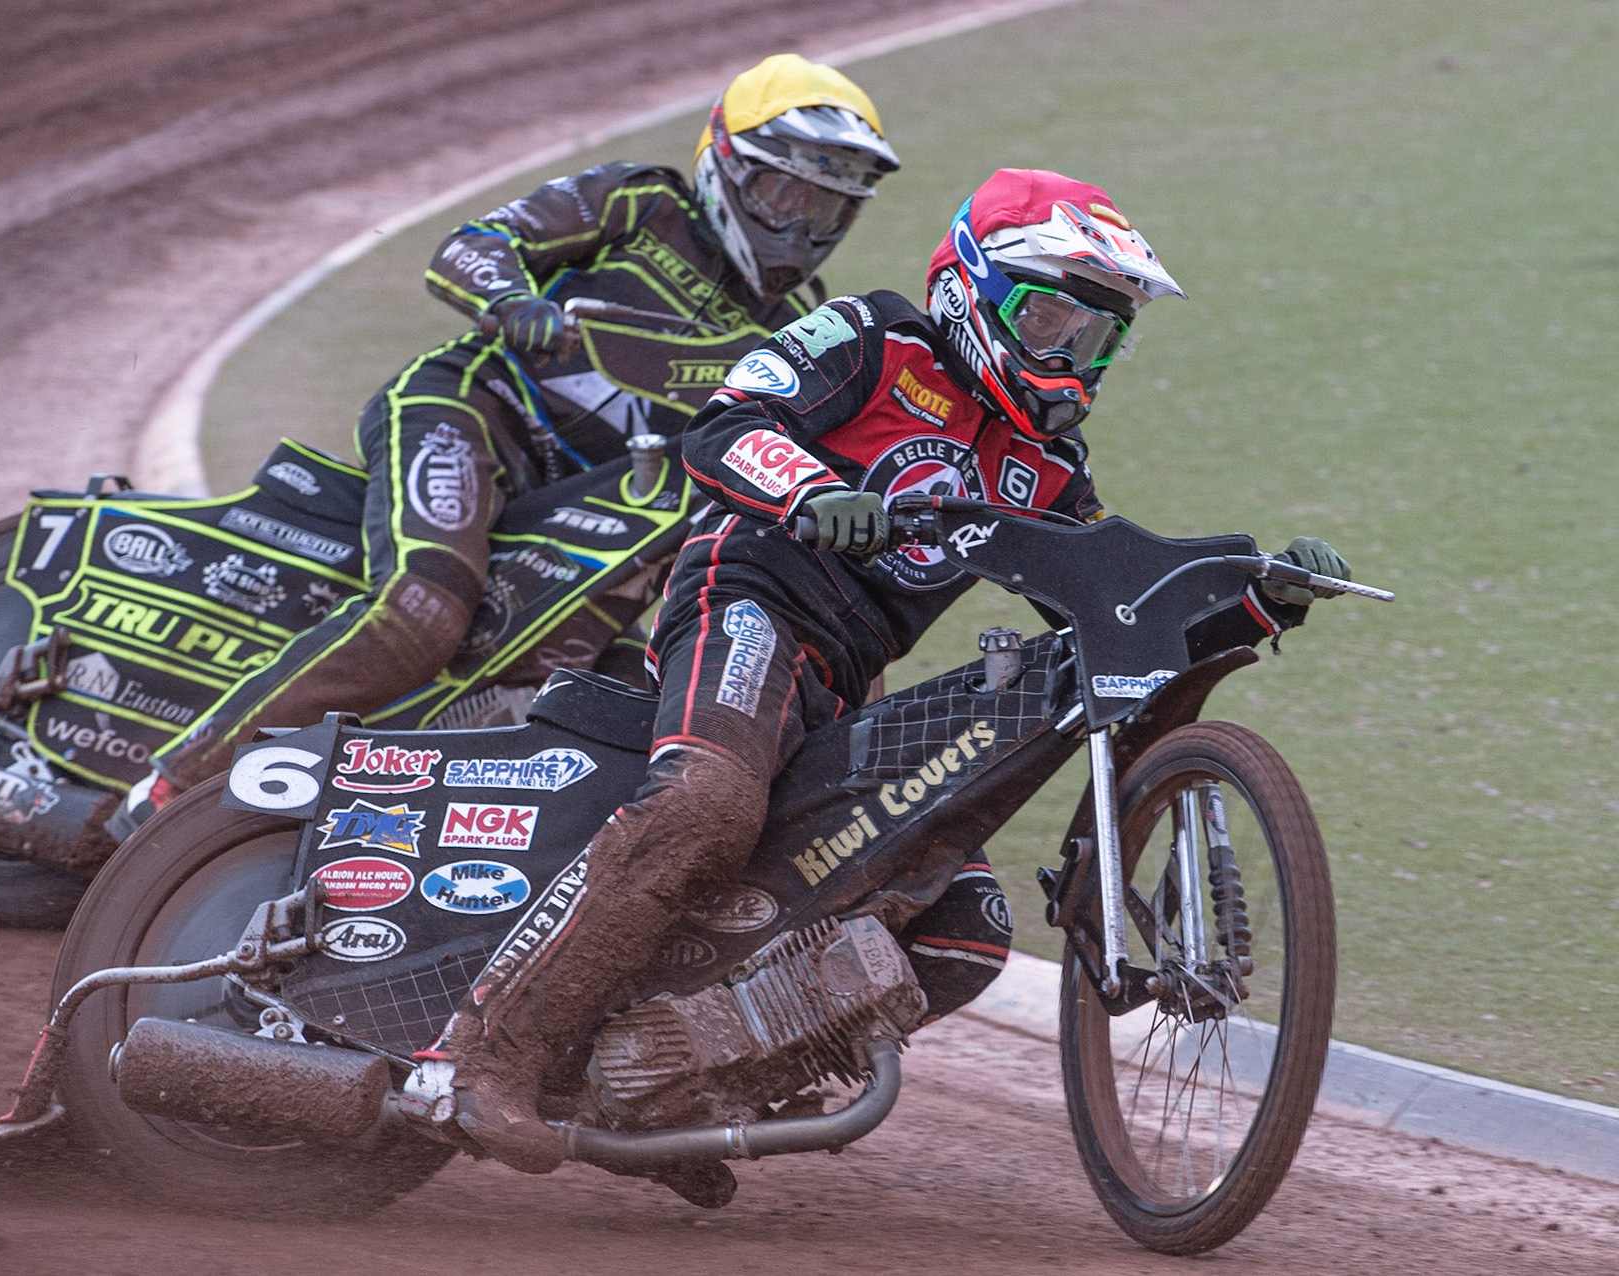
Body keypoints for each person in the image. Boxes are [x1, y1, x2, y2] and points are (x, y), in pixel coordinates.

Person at [422, 168, 1351, 1174]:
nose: (1069, 356)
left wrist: (1251, 600)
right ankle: (477, 1058)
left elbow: (1102, 609)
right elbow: (726, 424)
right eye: (1048, 320)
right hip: (748, 600)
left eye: (1094, 337)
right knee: (709, 800)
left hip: (844, 679)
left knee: (962, 931)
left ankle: (668, 1090)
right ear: (973, 288)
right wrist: (816, 491)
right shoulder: (875, 337)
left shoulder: (1049, 466)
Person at [120, 54, 901, 822]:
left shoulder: (794, 326)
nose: (801, 226)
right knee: (421, 609)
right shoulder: (640, 204)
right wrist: (511, 298)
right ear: (725, 165)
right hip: (473, 413)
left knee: (623, 679)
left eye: (826, 207)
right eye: (783, 192)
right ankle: (166, 790)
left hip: (591, 507)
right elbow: (471, 244)